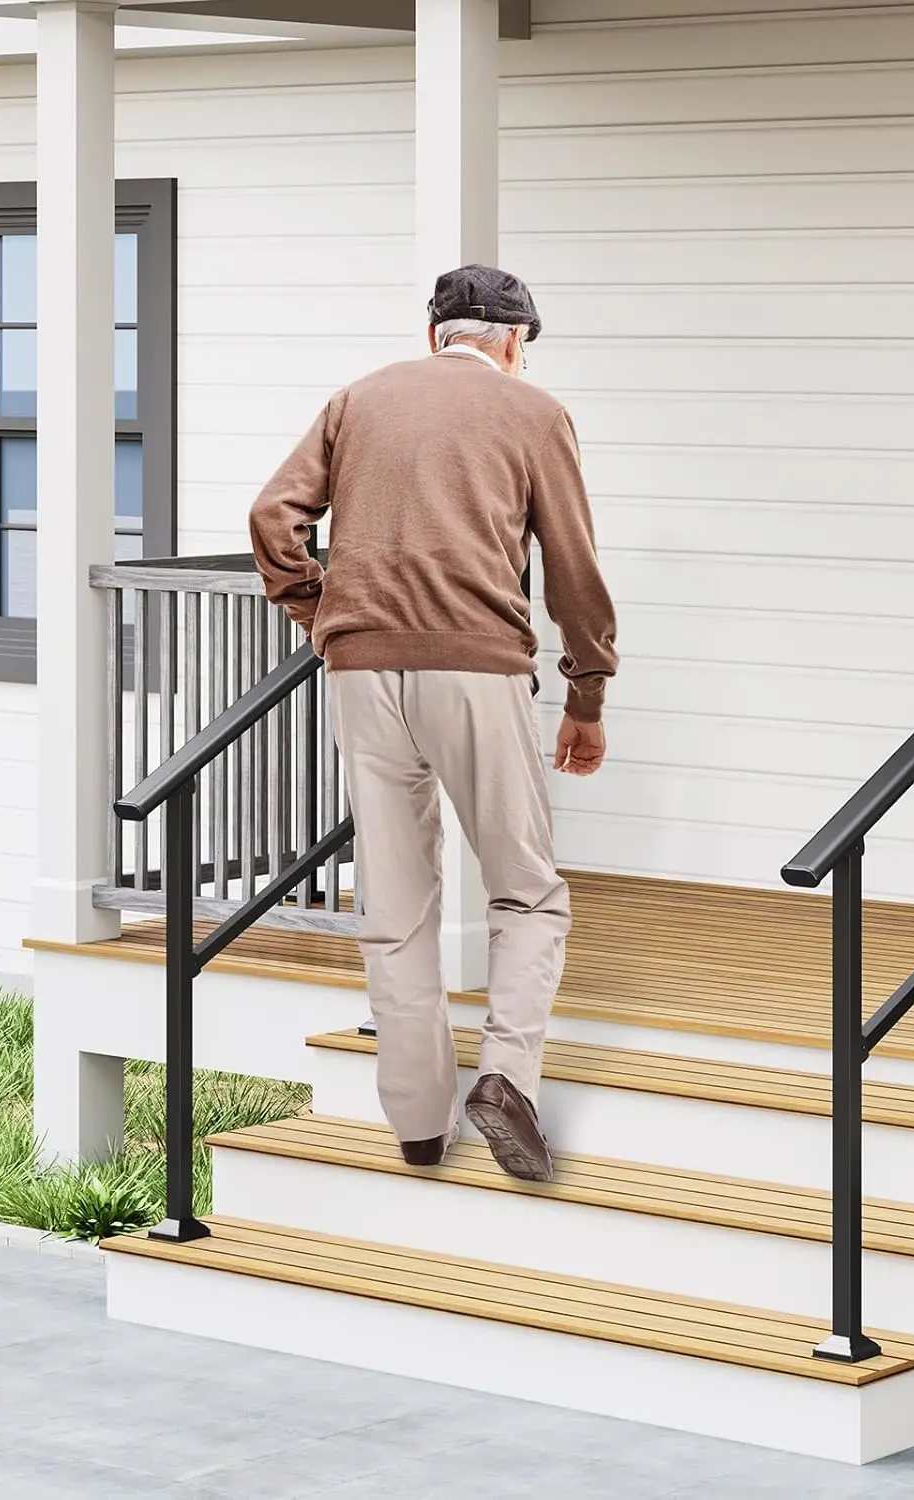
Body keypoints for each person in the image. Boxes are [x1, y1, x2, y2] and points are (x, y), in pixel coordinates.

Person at [248, 265, 617, 1184]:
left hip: (362, 671)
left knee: (398, 906)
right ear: (514, 342)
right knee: (526, 892)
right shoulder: (535, 415)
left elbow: (273, 518)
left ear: (434, 334)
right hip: (478, 670)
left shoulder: (357, 401)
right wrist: (587, 694)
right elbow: (572, 568)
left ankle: (418, 1126)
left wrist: (318, 613)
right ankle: (503, 1081)